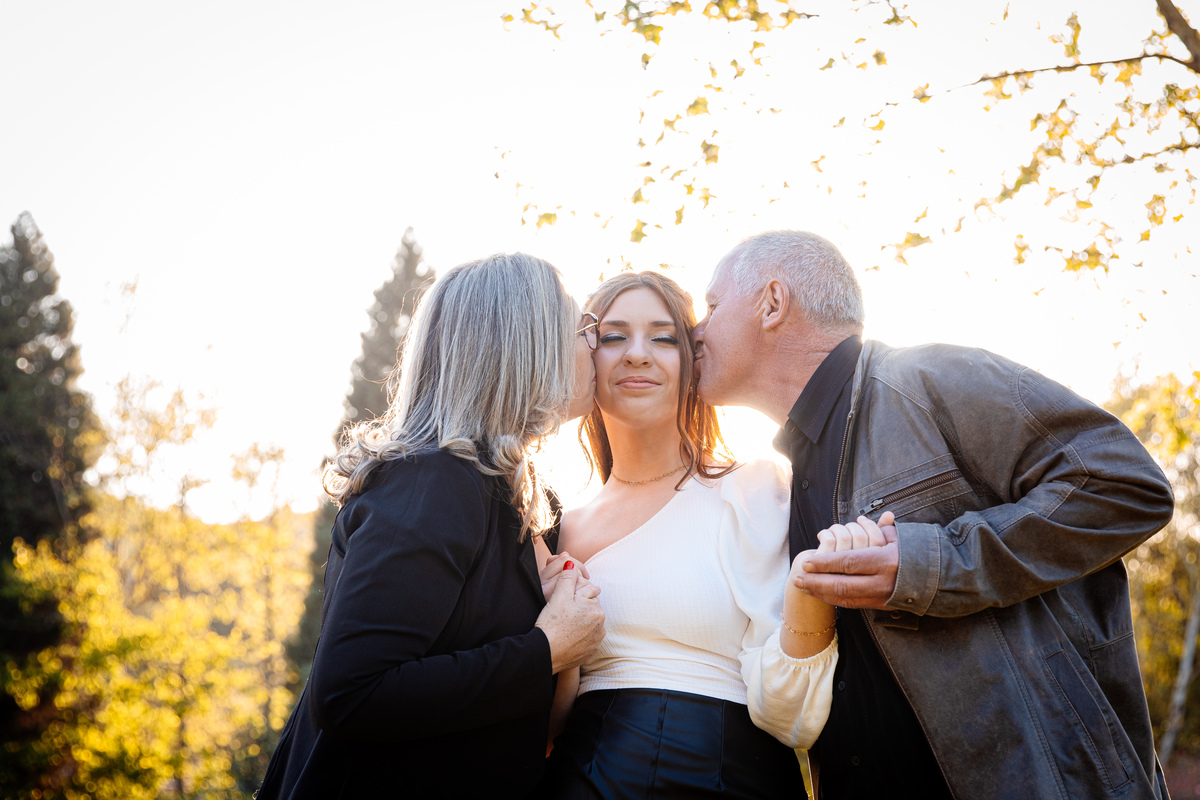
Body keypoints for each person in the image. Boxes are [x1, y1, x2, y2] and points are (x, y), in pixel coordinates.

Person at [691, 230, 1176, 799]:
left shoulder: (930, 381)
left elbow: (1124, 482)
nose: (697, 330)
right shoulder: (790, 479)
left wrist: (932, 564)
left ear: (772, 303)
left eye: (713, 306)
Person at [256, 253, 607, 799]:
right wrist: (546, 648)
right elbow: (351, 693)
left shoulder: (512, 498)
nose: (595, 346)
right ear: (528, 347)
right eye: (584, 328)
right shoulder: (434, 483)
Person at [538, 271, 853, 799]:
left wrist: (808, 590)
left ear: (691, 363)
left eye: (663, 337)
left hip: (734, 776)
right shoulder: (557, 530)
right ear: (583, 358)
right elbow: (546, 725)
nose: (638, 354)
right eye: (613, 335)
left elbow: (795, 712)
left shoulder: (756, 490)